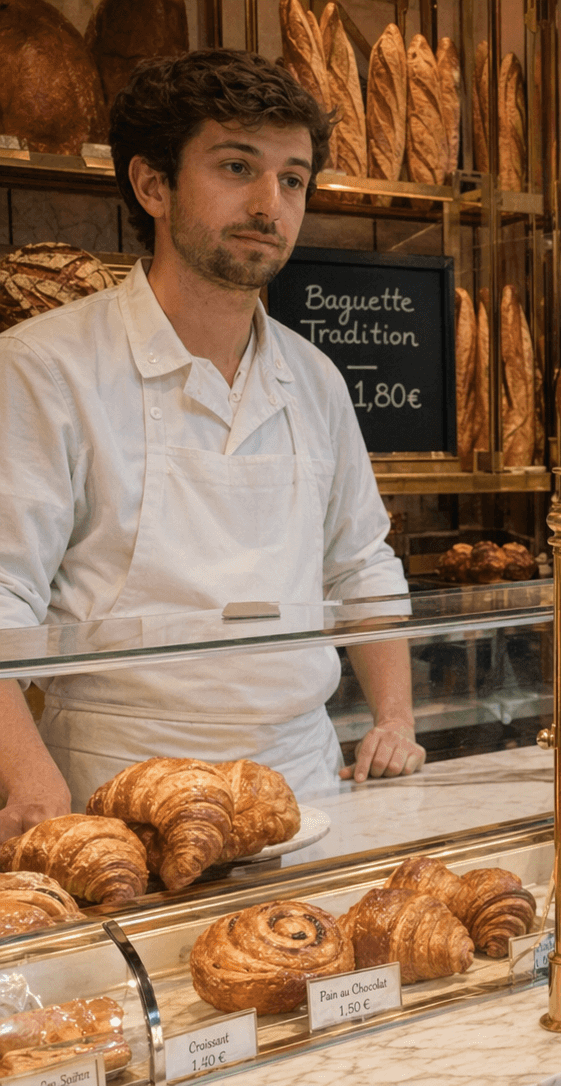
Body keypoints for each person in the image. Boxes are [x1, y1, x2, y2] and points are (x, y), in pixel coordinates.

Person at [0, 51, 426, 840]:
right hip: (115, 791)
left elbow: (361, 564)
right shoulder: (44, 368)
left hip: (303, 784)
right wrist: (30, 780)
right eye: (238, 167)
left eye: (293, 180)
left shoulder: (316, 378)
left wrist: (393, 720)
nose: (271, 205)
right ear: (153, 185)